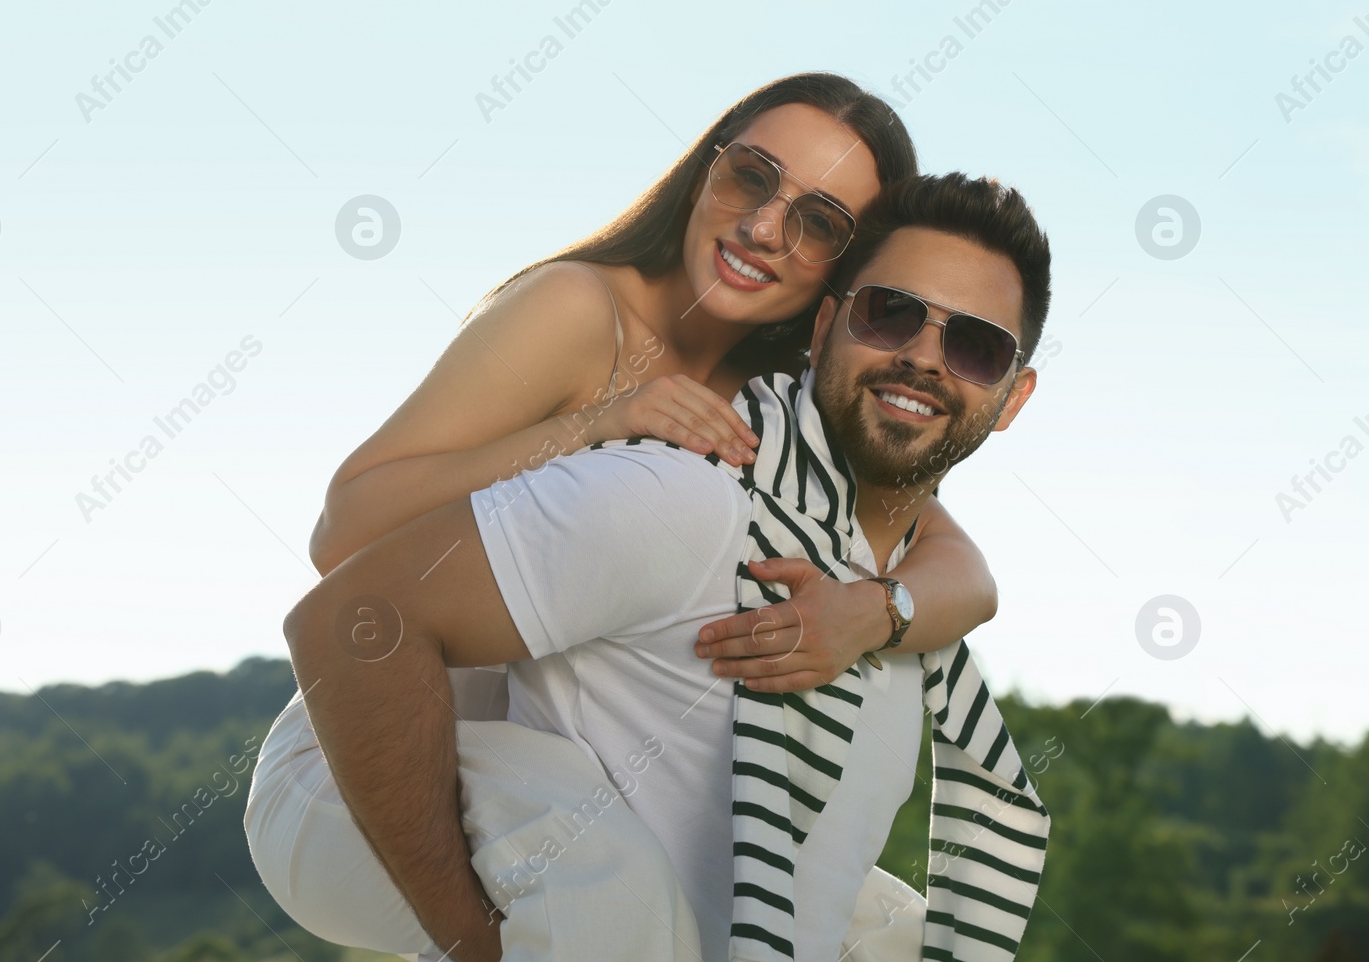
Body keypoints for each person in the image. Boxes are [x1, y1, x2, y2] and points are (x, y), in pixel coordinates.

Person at [256, 172, 1054, 961]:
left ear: (1013, 398)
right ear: (821, 330)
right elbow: (349, 621)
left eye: (975, 346)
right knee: (607, 881)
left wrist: (886, 609)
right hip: (399, 803)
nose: (922, 357)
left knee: (898, 936)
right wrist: (473, 942)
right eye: (890, 312)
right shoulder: (686, 493)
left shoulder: (909, 608)